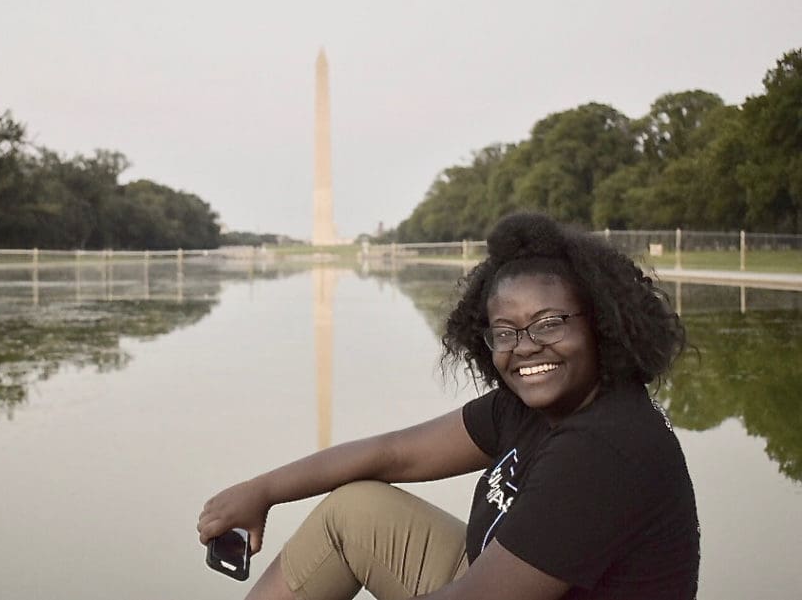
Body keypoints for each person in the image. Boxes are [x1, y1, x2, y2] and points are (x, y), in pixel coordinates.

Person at [198, 212, 700, 600]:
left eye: (550, 323)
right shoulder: (529, 406)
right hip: (490, 579)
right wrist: (262, 490)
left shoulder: (603, 451)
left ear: (601, 324)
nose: (525, 346)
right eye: (505, 331)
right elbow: (395, 453)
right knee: (354, 510)